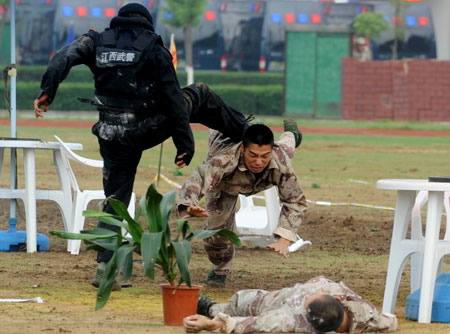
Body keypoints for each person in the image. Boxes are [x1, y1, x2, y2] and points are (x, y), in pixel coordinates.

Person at [33, 3, 248, 290]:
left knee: (116, 199)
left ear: (118, 22)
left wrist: (47, 91)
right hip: (148, 126)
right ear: (146, 24)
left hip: (110, 133)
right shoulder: (153, 50)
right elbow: (173, 98)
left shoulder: (96, 41)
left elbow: (62, 58)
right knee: (200, 94)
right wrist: (183, 143)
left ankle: (104, 267)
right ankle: (249, 133)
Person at [176, 121, 306, 287]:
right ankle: (220, 269)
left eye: (264, 156)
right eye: (253, 155)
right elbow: (199, 178)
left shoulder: (279, 160)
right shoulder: (223, 161)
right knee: (216, 234)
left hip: (266, 168)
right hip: (225, 184)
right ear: (243, 149)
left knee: (287, 148)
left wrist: (285, 238)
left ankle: (292, 135)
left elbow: (295, 200)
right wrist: (188, 205)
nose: (258, 161)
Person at [183, 276, 398, 333]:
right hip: (295, 294)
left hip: (276, 301)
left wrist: (211, 324)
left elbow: (251, 324)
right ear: (339, 300)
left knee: (239, 301)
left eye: (309, 300)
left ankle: (210, 307)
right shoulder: (367, 316)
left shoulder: (291, 319)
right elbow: (390, 322)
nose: (309, 296)